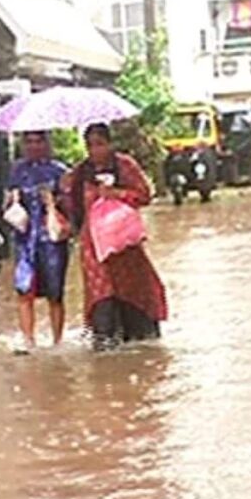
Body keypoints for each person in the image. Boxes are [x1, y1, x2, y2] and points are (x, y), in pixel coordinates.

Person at [64, 123, 167, 351]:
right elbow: (72, 208)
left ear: (110, 144)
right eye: (90, 146)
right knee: (101, 294)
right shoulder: (81, 173)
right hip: (93, 247)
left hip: (123, 246)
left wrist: (116, 194)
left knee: (133, 290)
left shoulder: (125, 166)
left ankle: (141, 339)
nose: (95, 151)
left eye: (100, 144)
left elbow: (144, 195)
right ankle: (105, 344)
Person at [4, 130, 71, 352]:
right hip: (25, 239)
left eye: (38, 141)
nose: (33, 146)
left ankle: (57, 342)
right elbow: (7, 205)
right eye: (29, 141)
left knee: (55, 292)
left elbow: (71, 207)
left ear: (46, 143)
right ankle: (28, 341)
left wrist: (54, 201)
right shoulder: (17, 171)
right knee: (24, 289)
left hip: (52, 240)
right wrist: (12, 201)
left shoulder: (59, 171)